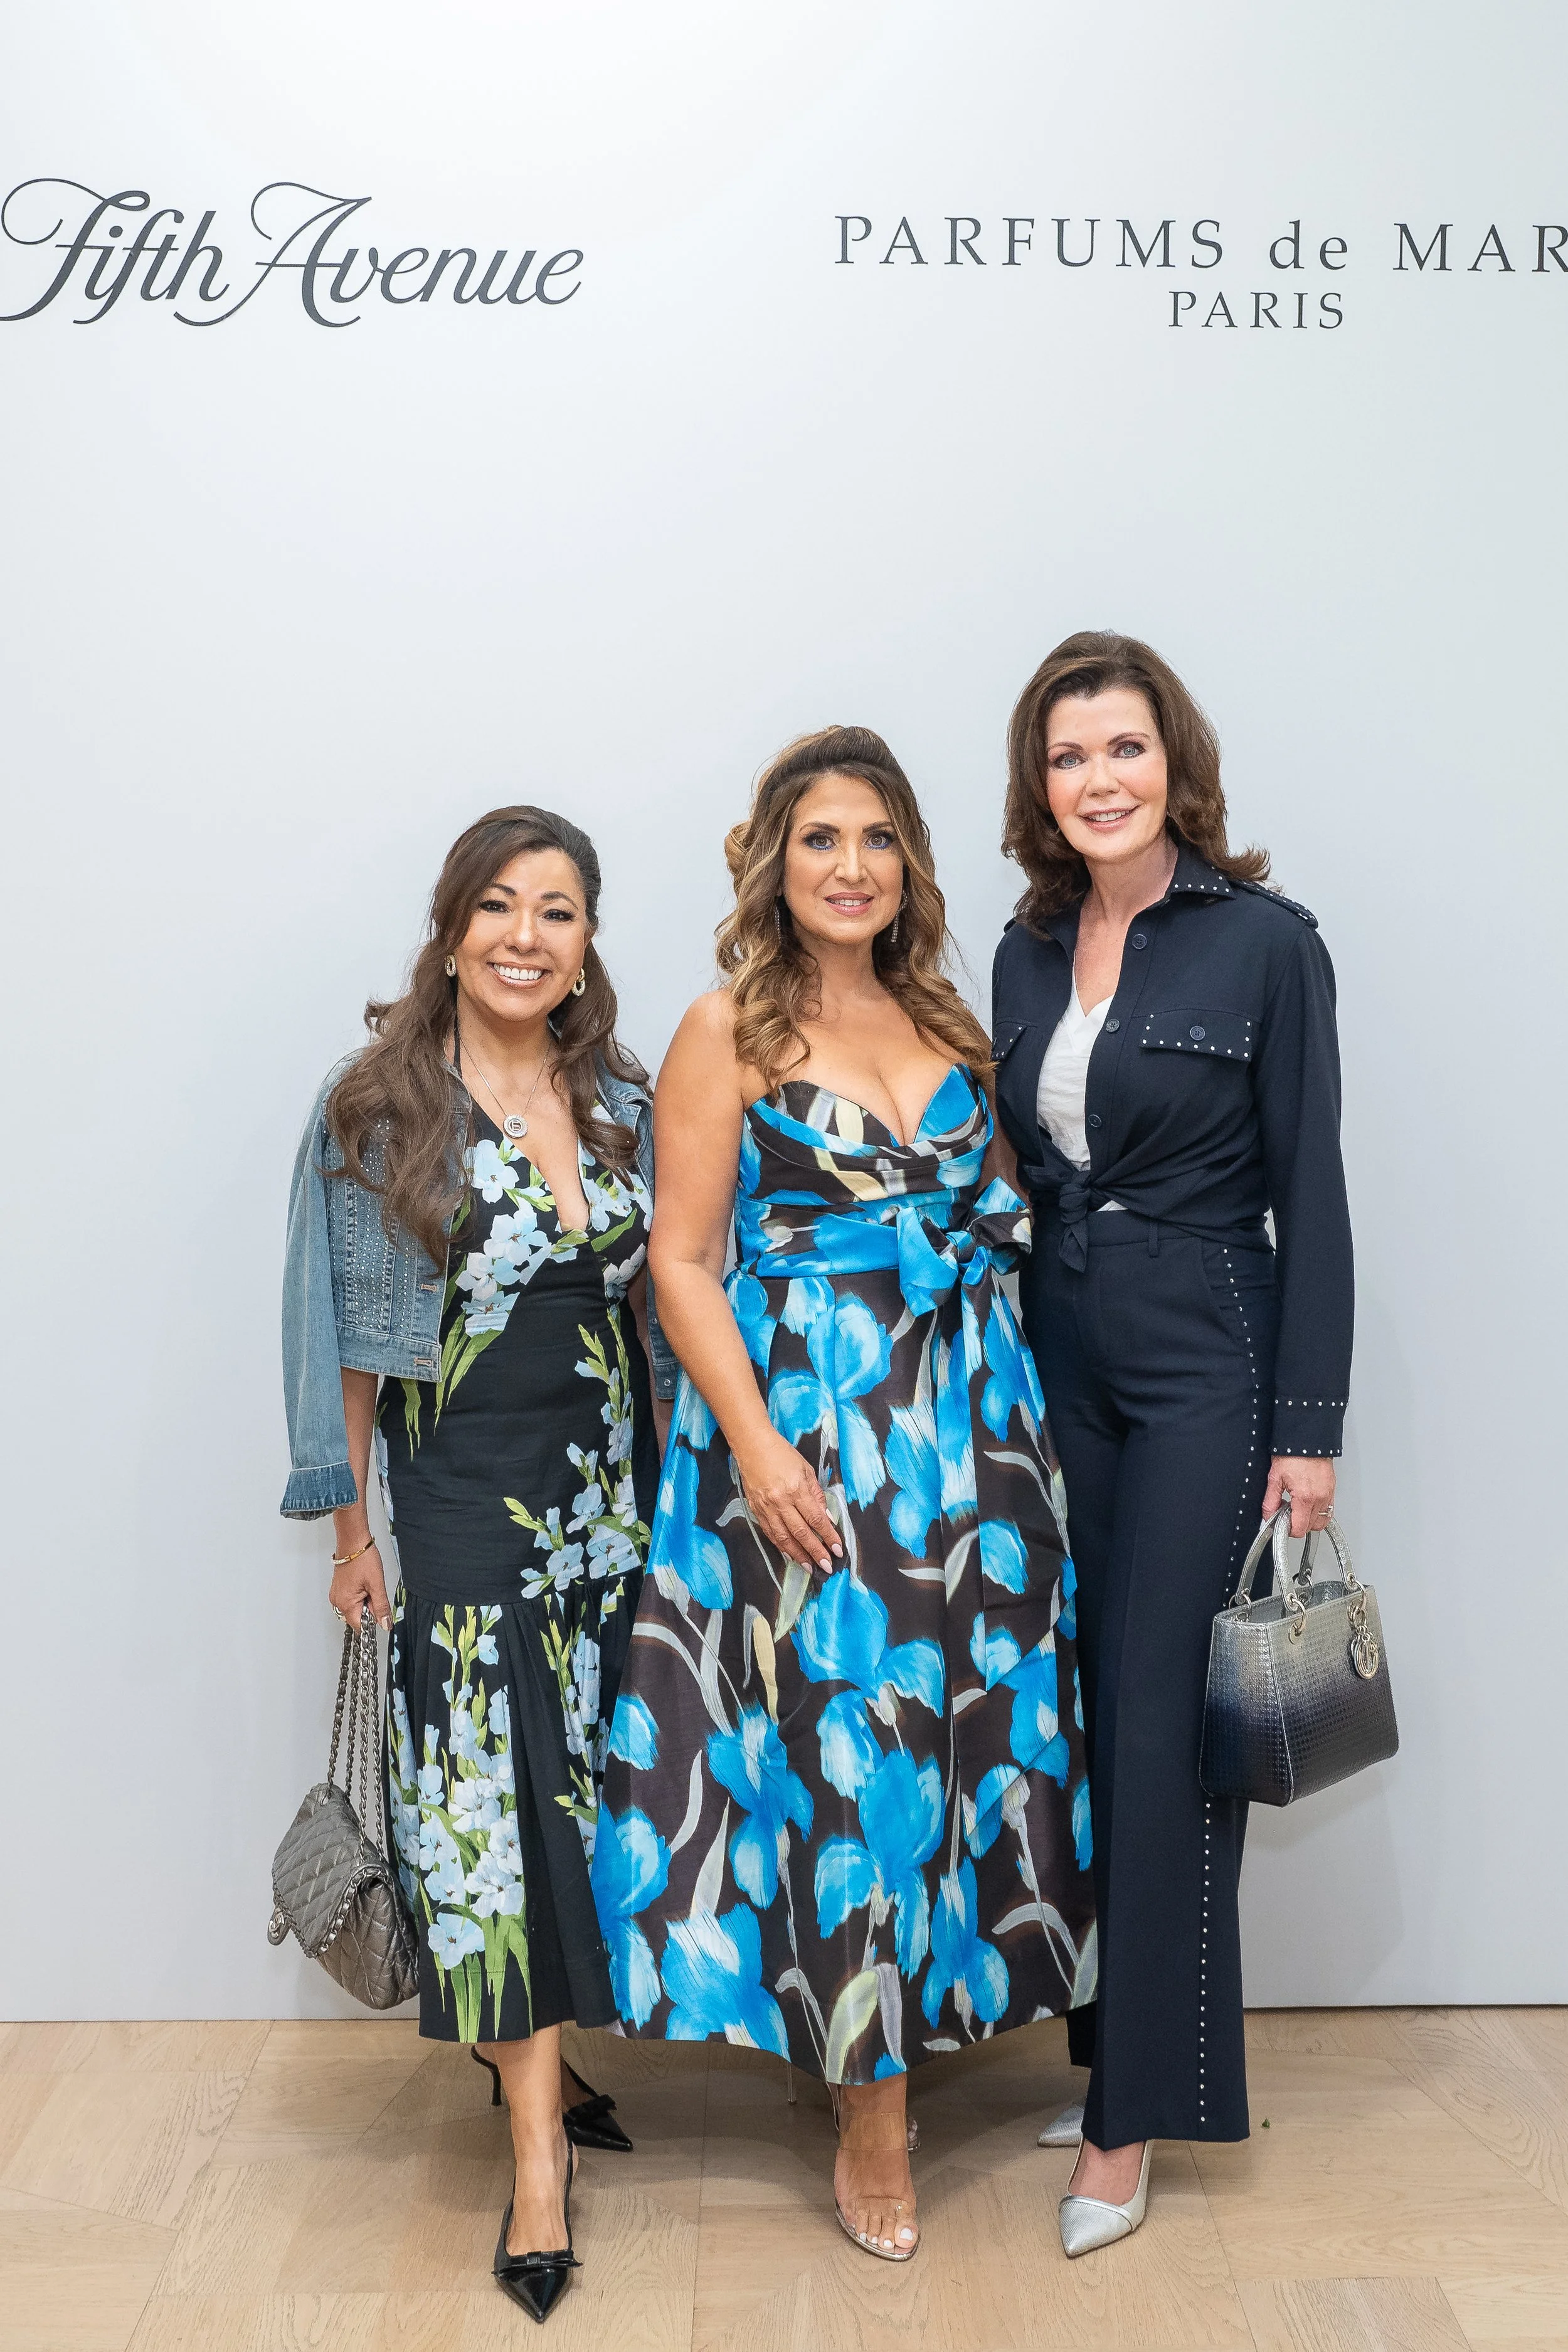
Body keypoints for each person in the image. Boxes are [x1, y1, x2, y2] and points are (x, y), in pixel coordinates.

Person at [591, 727, 1095, 2264]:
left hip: (976, 1436)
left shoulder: (947, 1019)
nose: (850, 866)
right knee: (846, 1749)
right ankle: (870, 2113)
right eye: (820, 837)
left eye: (876, 838)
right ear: (772, 861)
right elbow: (681, 1260)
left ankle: (919, 2023)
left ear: (908, 864)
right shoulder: (724, 1030)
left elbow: (1006, 1221)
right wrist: (755, 1449)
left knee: (959, 1748)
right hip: (812, 1436)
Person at [280, 805, 675, 2324]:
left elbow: (671, 1290)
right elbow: (338, 1333)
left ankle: (543, 2067)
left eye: (556, 910)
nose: (525, 936)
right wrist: (350, 1527)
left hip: (611, 1504)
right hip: (458, 1506)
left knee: (583, 1793)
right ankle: (534, 2163)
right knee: (484, 1819)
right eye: (497, 906)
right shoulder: (379, 1106)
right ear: (451, 933)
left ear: (586, 942)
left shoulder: (622, 1099)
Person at [990, 633, 1353, 2256]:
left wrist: (1307, 1431)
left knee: (1161, 1725)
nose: (1098, 779)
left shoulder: (1265, 944)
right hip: (1055, 1348)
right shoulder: (1025, 948)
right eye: (1067, 754)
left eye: (1123, 747)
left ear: (1173, 761)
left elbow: (1312, 1193)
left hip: (1208, 1347)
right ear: (1038, 783)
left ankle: (1129, 2119)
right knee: (1082, 1713)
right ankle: (1125, 2053)